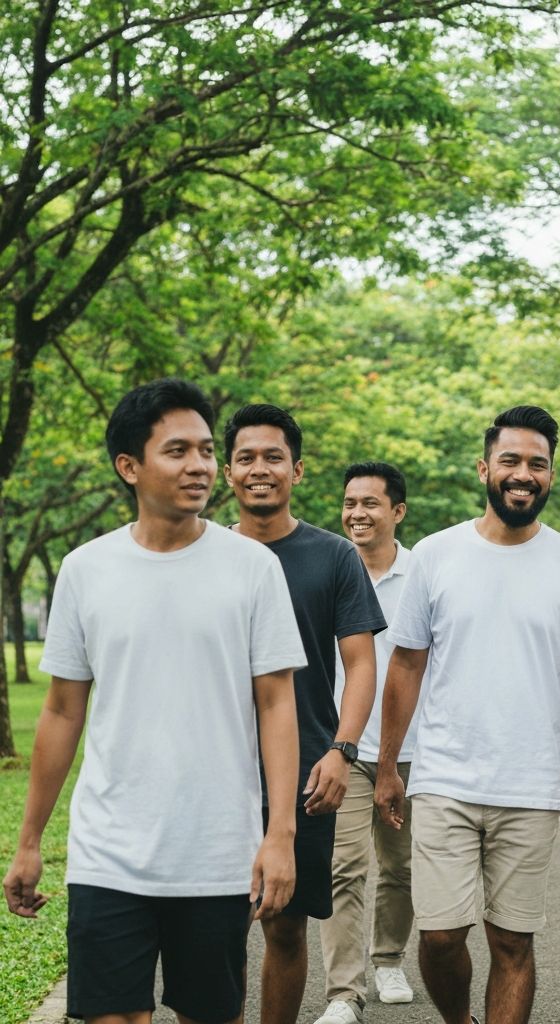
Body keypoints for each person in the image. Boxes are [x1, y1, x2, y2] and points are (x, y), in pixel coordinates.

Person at [2, 378, 307, 1024]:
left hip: (217, 851)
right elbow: (61, 710)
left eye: (203, 450)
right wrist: (28, 840)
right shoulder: (86, 569)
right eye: (177, 451)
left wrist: (280, 835)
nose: (199, 466)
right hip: (108, 849)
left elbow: (277, 705)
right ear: (129, 466)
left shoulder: (252, 568)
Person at [373, 405, 560, 1024]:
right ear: (485, 467)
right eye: (510, 460)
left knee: (512, 940)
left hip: (527, 786)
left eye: (537, 464)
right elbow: (404, 666)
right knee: (439, 935)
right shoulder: (436, 554)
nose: (523, 474)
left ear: (550, 476)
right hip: (444, 780)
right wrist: (385, 766)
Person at [223, 404, 385, 1024]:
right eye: (246, 458)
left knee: (284, 930)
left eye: (273, 457)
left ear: (298, 468)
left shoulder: (334, 556)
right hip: (216, 772)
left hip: (304, 774)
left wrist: (343, 750)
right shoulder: (205, 550)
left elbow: (360, 663)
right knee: (214, 933)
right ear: (228, 471)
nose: (260, 470)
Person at [315, 462, 421, 1024]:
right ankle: (343, 992)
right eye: (349, 502)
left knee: (401, 867)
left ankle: (388, 959)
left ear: (397, 511)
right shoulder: (329, 567)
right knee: (344, 865)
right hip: (346, 745)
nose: (357, 513)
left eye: (371, 503)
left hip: (412, 749)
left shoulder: (423, 573)